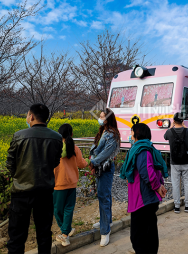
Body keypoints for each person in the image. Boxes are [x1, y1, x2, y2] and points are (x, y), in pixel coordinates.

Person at [6, 104, 63, 254]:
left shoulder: (19, 135)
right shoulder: (56, 138)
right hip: (45, 192)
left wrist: (19, 177)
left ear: (31, 116)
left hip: (21, 193)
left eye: (27, 115)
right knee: (44, 235)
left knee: (16, 236)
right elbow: (56, 162)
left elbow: (10, 163)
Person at [120, 123, 168, 254]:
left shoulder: (142, 150)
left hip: (143, 200)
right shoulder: (148, 148)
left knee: (138, 237)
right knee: (149, 232)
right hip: (146, 199)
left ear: (137, 133)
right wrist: (160, 185)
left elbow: (146, 171)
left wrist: (158, 187)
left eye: (132, 132)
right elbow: (155, 169)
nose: (130, 136)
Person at [53, 124, 89, 246]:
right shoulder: (75, 148)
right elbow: (81, 164)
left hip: (58, 184)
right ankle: (66, 231)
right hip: (72, 184)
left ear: (59, 134)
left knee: (58, 210)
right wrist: (88, 161)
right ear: (71, 134)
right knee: (68, 209)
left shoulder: (55, 148)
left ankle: (64, 234)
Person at [89, 108, 120, 247]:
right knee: (103, 195)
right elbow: (96, 149)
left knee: (104, 196)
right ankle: (106, 221)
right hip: (99, 167)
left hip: (105, 168)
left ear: (108, 118)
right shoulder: (104, 131)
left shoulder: (112, 134)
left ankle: (105, 231)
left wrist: (93, 162)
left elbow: (106, 153)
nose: (100, 119)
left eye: (102, 116)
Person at [163, 112, 188, 213]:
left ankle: (176, 206)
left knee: (175, 184)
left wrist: (171, 127)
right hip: (187, 161)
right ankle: (187, 205)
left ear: (173, 120)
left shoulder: (169, 132)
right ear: (182, 121)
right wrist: (184, 126)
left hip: (174, 162)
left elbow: (165, 137)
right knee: (187, 183)